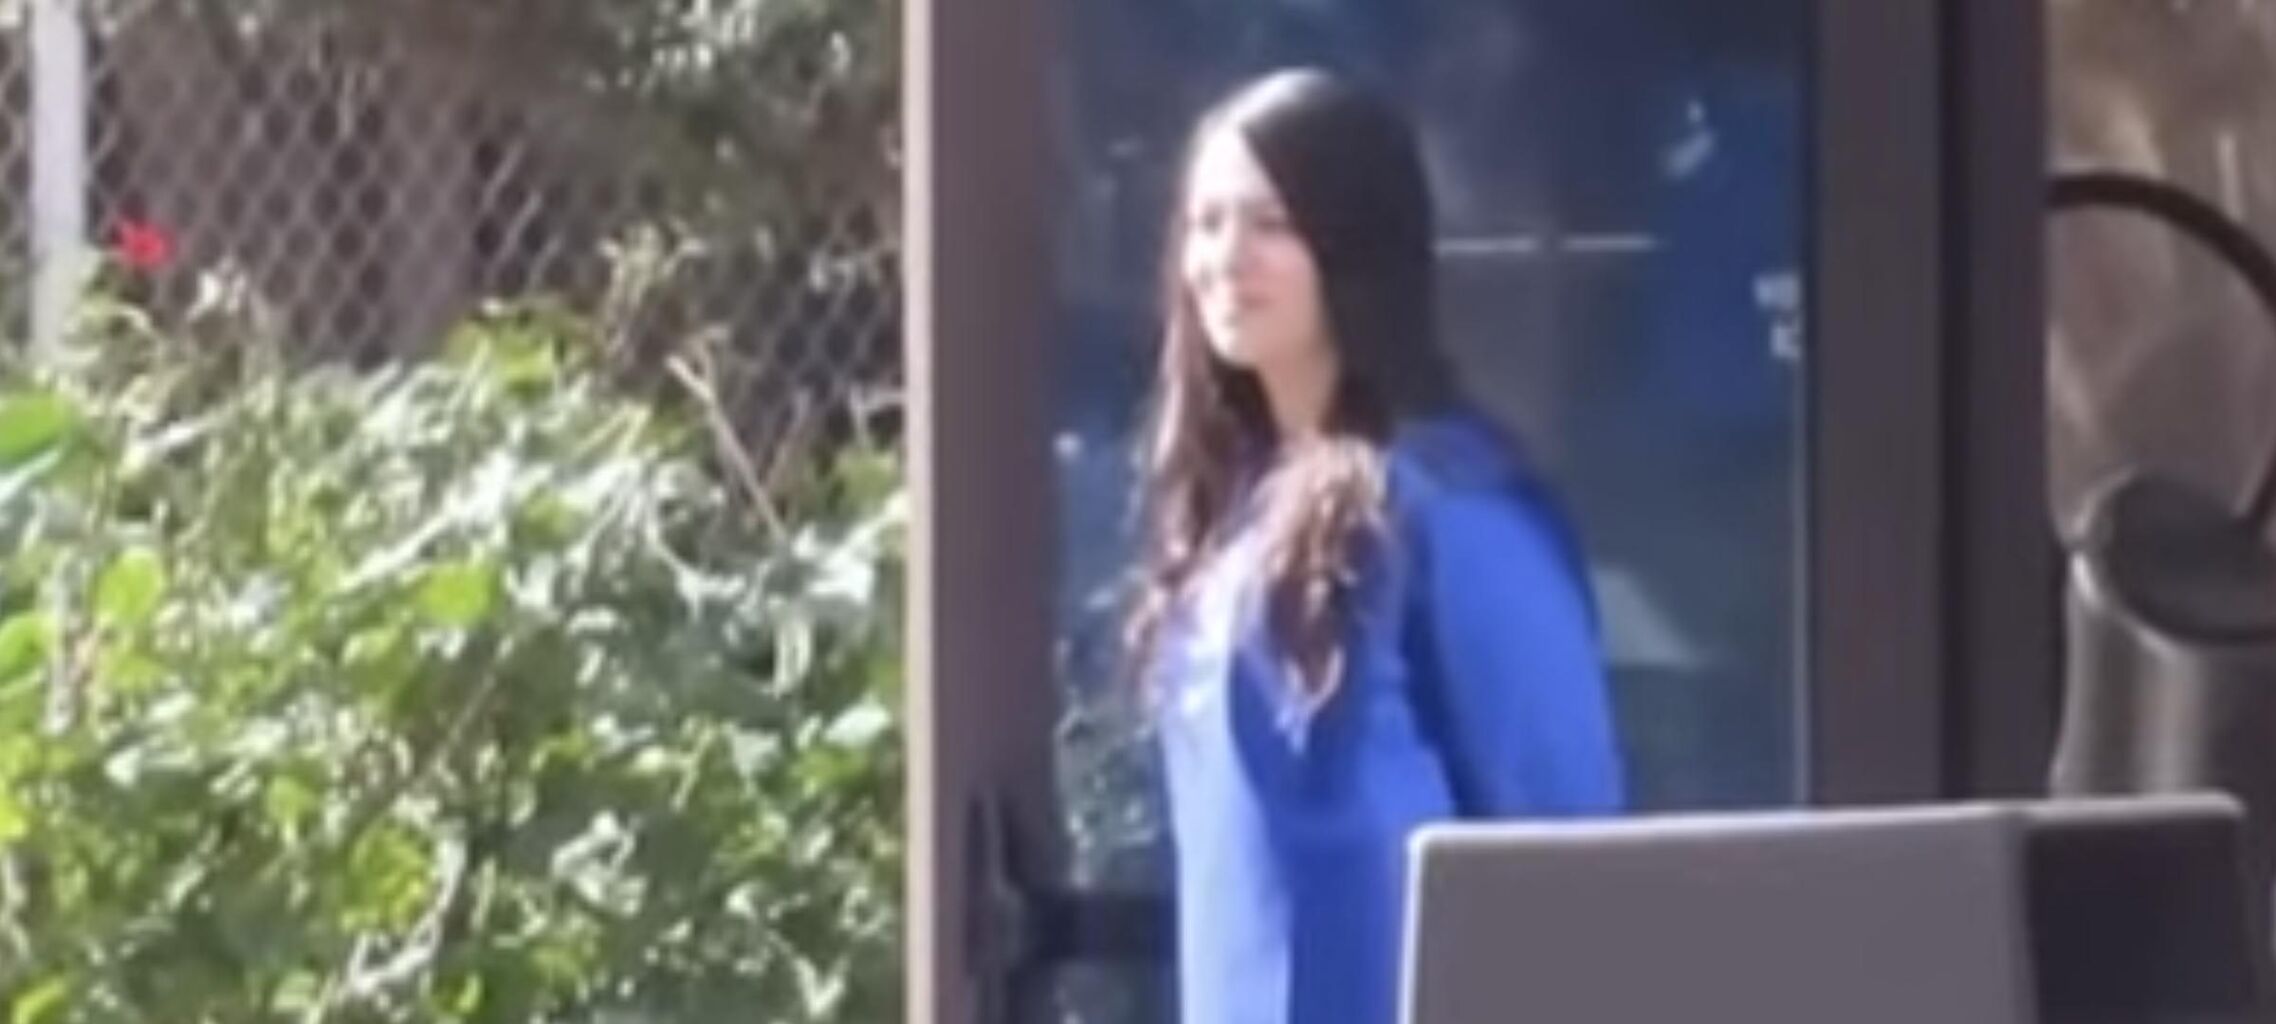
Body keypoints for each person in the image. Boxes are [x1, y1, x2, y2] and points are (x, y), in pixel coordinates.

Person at [1125, 68, 1626, 1024]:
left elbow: (1564, 844)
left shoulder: (1454, 504)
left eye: (1272, 223)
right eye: (1205, 223)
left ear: (1351, 244)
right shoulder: (1229, 514)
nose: (1226, 258)